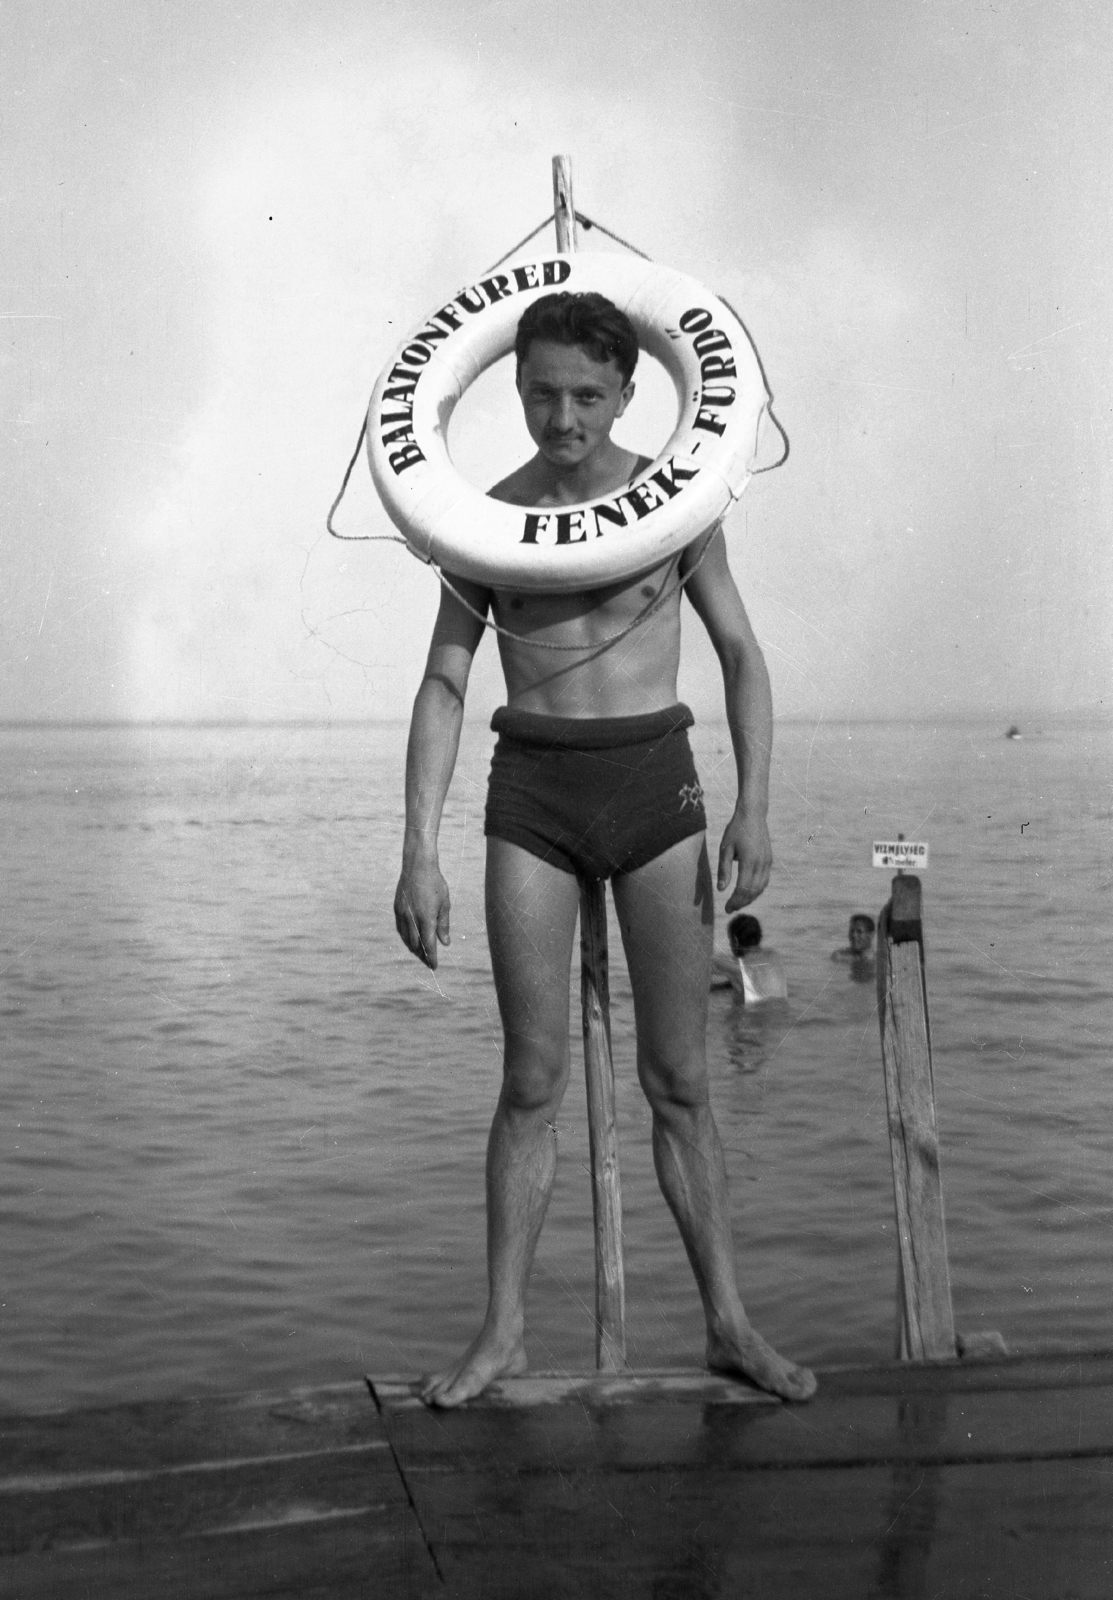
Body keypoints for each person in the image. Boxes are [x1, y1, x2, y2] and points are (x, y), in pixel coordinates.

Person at [394, 289, 815, 1408]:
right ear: (512, 387)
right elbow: (444, 681)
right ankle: (503, 1333)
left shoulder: (675, 502)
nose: (562, 416)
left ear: (631, 392)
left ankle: (729, 1323)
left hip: (654, 787)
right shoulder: (487, 516)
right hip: (531, 787)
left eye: (586, 394)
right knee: (529, 1081)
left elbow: (740, 652)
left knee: (680, 1077)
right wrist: (416, 849)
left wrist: (755, 804)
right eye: (540, 392)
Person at [711, 914, 787, 1003]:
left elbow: (700, 961)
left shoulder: (736, 967)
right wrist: (717, 987)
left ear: (735, 941)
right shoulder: (775, 956)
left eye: (730, 939)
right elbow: (755, 982)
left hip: (752, 1015)